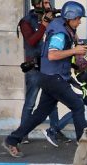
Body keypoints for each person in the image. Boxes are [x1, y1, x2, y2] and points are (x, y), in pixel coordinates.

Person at [2, 1, 87, 158]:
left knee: (40, 114)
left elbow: (70, 39)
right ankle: (84, 147)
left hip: (49, 76)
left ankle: (12, 140)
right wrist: (74, 51)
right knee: (77, 105)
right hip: (54, 78)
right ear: (70, 18)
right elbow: (52, 55)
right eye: (78, 19)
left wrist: (77, 46)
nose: (80, 22)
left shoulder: (63, 26)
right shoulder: (60, 34)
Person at [46, 29, 87, 144]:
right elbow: (82, 73)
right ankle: (52, 131)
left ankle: (85, 133)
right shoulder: (83, 51)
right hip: (78, 87)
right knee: (77, 110)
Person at [17, 0, 61, 145]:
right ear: (37, 4)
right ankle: (22, 134)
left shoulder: (53, 19)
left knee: (52, 100)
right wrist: (44, 24)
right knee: (30, 102)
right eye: (45, 2)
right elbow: (31, 41)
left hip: (49, 66)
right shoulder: (26, 21)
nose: (48, 5)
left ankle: (55, 130)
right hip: (34, 67)